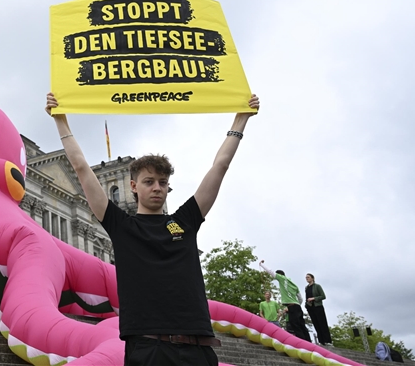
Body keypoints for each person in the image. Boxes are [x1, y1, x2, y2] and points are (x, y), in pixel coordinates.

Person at [46, 92, 260, 366]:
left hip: (198, 349)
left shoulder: (185, 221)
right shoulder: (121, 225)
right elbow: (81, 168)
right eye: (149, 181)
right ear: (134, 186)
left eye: (162, 181)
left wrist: (240, 120)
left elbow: (220, 166)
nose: (157, 187)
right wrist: (60, 119)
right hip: (148, 349)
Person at [259, 260, 311, 342]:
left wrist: (261, 264)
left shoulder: (282, 279)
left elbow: (270, 272)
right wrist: (296, 304)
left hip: (292, 307)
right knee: (302, 325)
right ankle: (308, 341)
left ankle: (302, 343)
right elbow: (300, 298)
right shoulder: (293, 284)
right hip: (297, 306)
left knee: (295, 326)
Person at [305, 273, 332, 345]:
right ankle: (321, 341)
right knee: (316, 323)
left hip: (318, 306)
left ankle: (328, 341)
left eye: (308, 277)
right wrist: (306, 306)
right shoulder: (306, 288)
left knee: (322, 323)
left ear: (312, 278)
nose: (307, 278)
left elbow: (323, 296)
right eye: (306, 277)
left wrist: (314, 298)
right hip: (311, 307)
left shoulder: (317, 286)